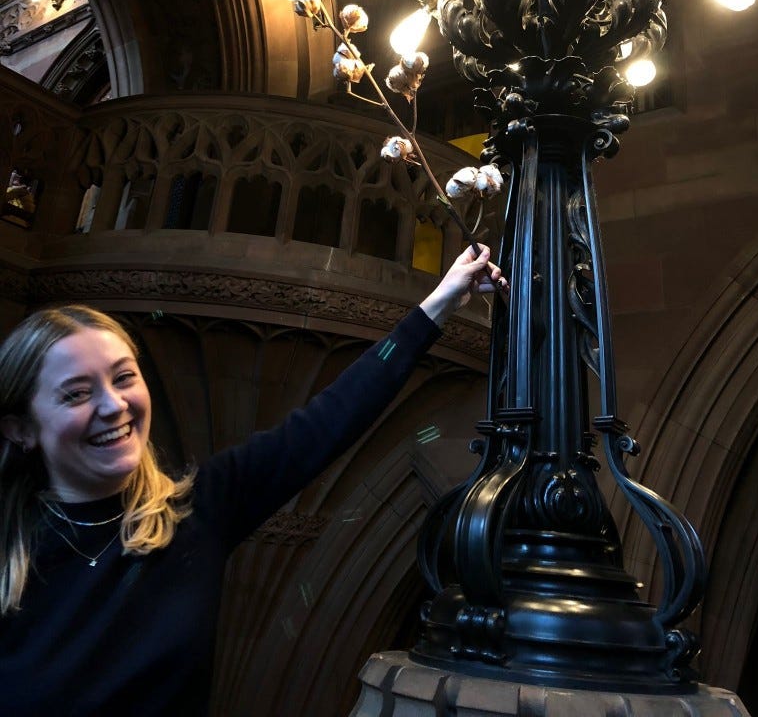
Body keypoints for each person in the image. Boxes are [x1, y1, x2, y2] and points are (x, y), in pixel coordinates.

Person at [0, 244, 505, 717]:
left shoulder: (197, 512)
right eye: (76, 394)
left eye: (124, 376)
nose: (113, 406)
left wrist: (438, 305)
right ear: (20, 428)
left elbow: (328, 420)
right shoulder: (10, 545)